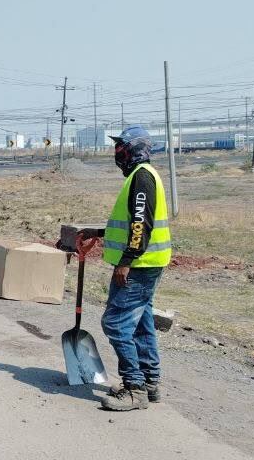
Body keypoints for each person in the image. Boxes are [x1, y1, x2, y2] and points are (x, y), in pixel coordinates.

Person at [99, 125, 172, 411]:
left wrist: (126, 260)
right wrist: (97, 232)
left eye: (122, 148)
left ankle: (135, 387)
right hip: (148, 262)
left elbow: (142, 223)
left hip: (139, 264)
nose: (118, 154)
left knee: (115, 323)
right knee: (141, 323)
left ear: (135, 149)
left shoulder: (142, 177)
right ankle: (150, 381)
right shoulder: (141, 176)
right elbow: (131, 220)